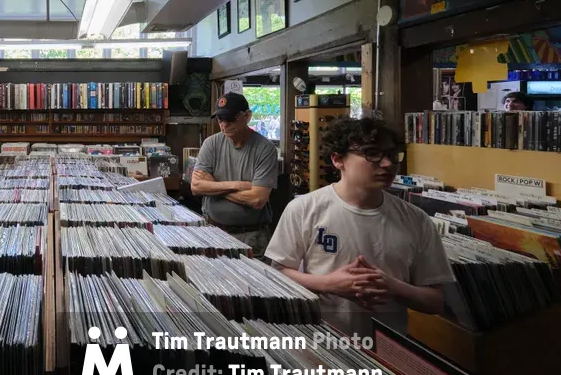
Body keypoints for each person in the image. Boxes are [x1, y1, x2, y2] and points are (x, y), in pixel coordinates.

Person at [264, 117, 454, 336]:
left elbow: (435, 301)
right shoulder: (304, 209)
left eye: (392, 155)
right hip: (320, 340)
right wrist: (328, 284)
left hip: (388, 348)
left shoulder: (416, 219)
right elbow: (276, 274)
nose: (387, 164)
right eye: (372, 154)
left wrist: (390, 286)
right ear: (338, 160)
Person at [190, 92, 279, 256]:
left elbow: (257, 199)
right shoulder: (211, 144)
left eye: (230, 118)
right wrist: (237, 185)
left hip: (250, 237)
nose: (224, 124)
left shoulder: (265, 149)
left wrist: (214, 187)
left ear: (247, 116)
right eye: (220, 119)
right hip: (212, 232)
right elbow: (196, 187)